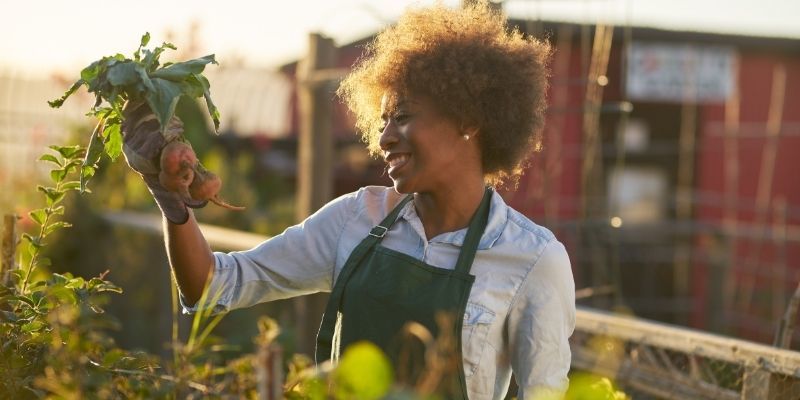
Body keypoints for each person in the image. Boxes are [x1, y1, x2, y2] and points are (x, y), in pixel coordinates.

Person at [122, 2, 575, 399]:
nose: (384, 138)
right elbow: (212, 286)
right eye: (381, 121)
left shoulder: (534, 259)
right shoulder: (356, 218)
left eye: (403, 116)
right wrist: (170, 197)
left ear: (468, 121)